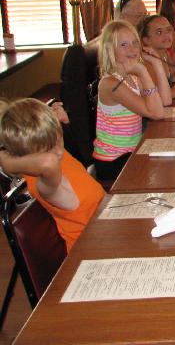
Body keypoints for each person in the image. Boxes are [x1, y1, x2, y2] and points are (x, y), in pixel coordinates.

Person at [0, 98, 105, 251]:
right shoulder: (43, 182)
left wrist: (52, 122)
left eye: (58, 139)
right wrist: (7, 163)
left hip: (105, 224)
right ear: (26, 155)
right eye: (48, 149)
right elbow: (49, 162)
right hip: (89, 248)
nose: (58, 151)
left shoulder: (52, 151)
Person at [92, 20, 168, 181]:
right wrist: (143, 72)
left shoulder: (131, 77)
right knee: (166, 170)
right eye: (124, 45)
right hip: (113, 161)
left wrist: (156, 63)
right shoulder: (110, 83)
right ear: (110, 49)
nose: (132, 49)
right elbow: (157, 113)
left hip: (130, 153)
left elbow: (165, 101)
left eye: (135, 42)